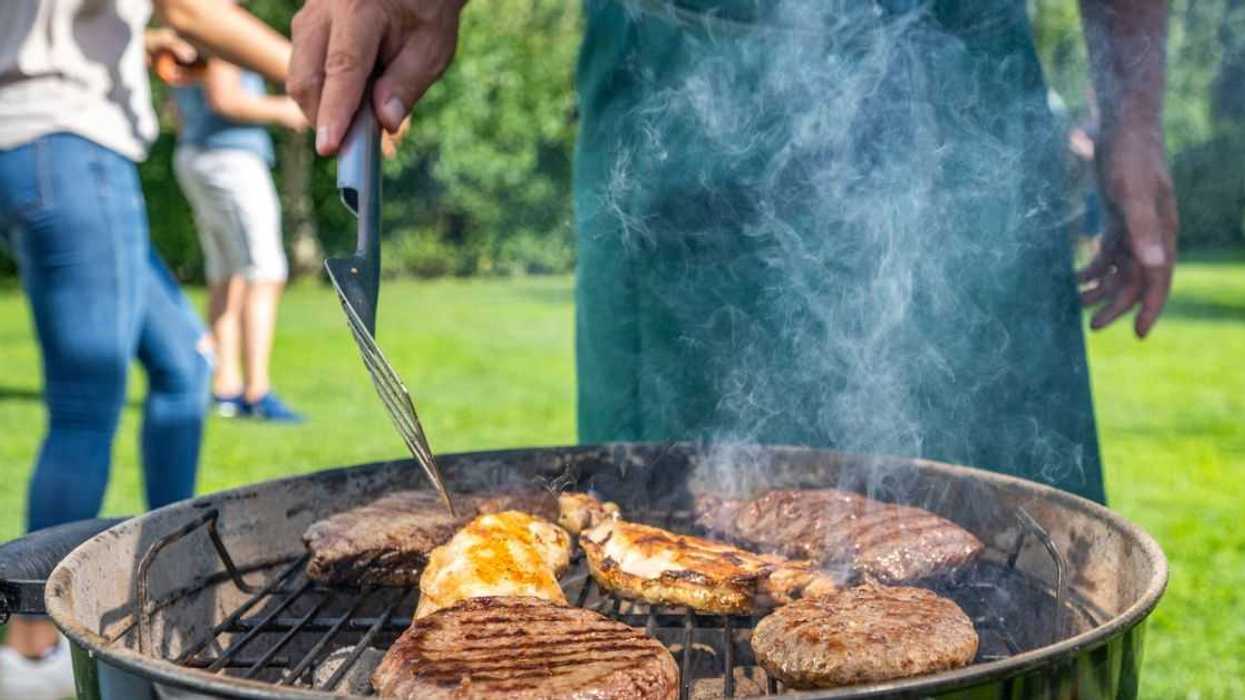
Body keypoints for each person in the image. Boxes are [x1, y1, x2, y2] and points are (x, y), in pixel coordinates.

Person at [288, 0, 1176, 505]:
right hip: (680, 88)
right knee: (672, 541)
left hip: (962, 90)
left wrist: (1133, 116)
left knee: (1005, 536)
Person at [0, 1, 291, 696]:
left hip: (53, 149)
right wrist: (311, 75)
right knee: (84, 407)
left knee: (183, 366)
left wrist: (143, 38)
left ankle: (176, 591)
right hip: (69, 143)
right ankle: (30, 656)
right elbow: (193, 5)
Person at [171, 56, 308, 421]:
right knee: (265, 273)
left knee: (226, 274)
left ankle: (226, 386)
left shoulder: (183, 31)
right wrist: (284, 108)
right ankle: (257, 391)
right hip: (231, 159)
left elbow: (174, 109)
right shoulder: (216, 20)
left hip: (195, 154)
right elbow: (225, 97)